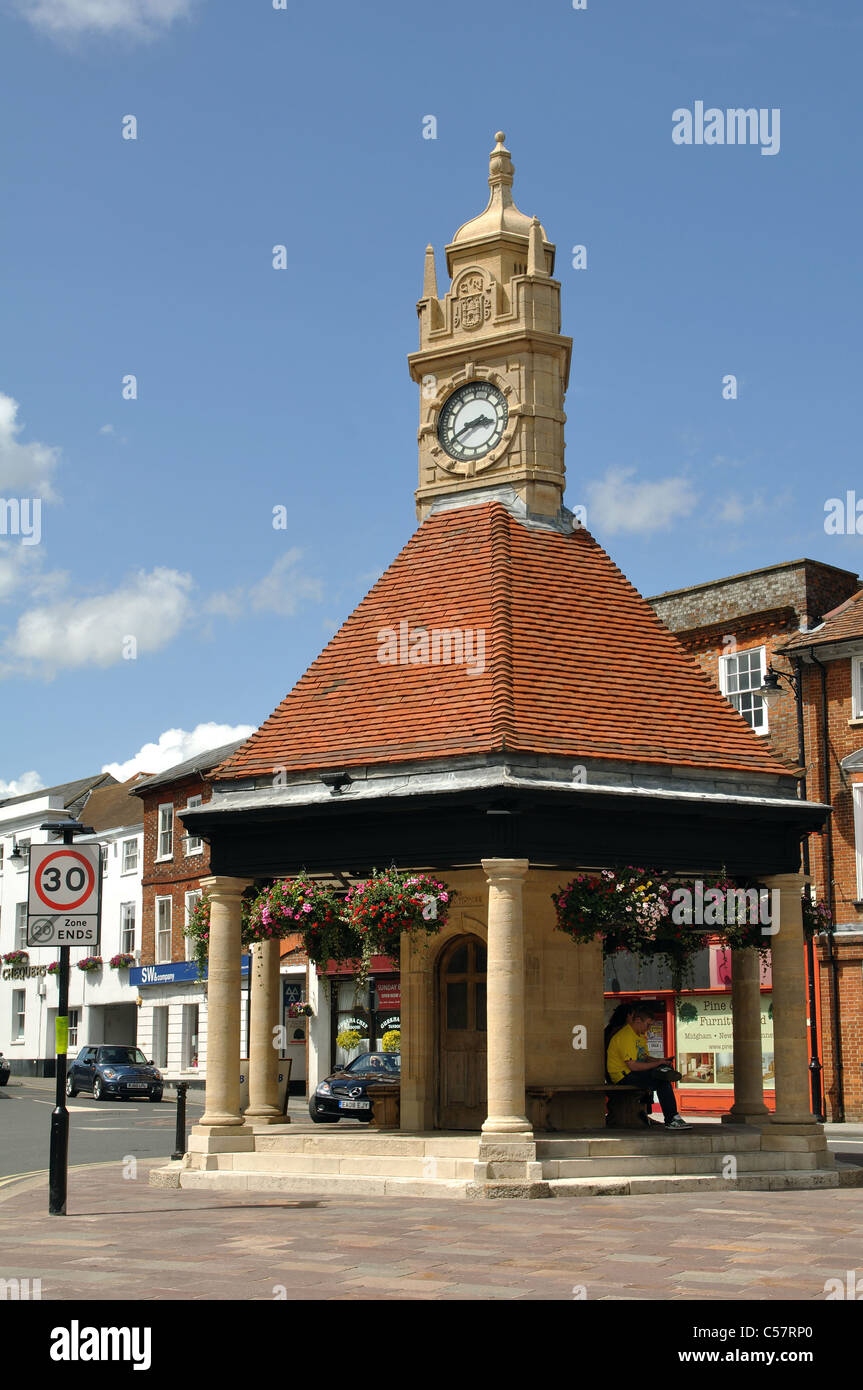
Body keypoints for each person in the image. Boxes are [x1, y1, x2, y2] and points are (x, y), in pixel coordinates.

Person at [606, 1003, 691, 1130]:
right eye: (648, 1024)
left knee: (662, 1072)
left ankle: (672, 1116)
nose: (649, 1028)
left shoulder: (639, 1035)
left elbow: (644, 1057)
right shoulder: (625, 1036)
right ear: (638, 1020)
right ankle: (672, 1118)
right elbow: (633, 1066)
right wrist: (657, 1064)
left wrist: (661, 1061)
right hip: (622, 1075)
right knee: (662, 1081)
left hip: (632, 1072)